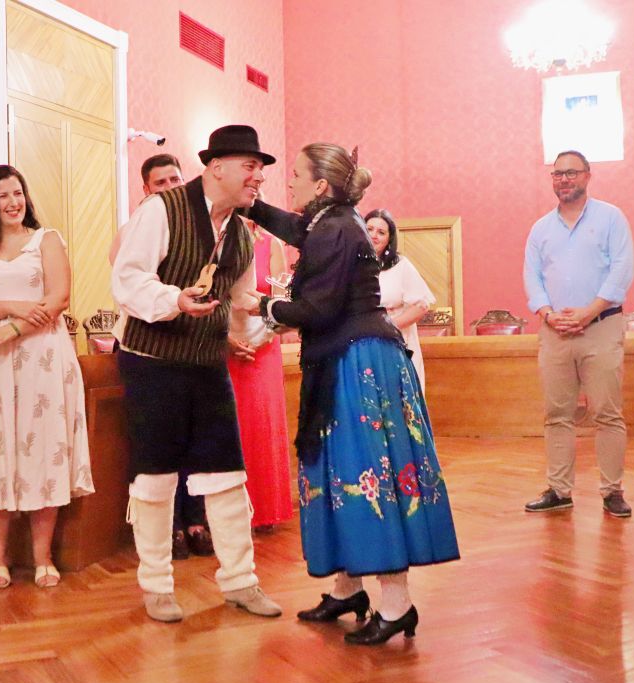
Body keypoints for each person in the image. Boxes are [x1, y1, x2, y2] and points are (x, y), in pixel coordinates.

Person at [245, 143, 459, 645]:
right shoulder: (331, 221)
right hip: (350, 357)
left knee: (369, 473)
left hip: (358, 363)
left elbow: (318, 311)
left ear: (321, 185)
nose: (289, 182)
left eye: (296, 175)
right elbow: (296, 229)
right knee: (340, 469)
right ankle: (349, 587)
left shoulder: (337, 228)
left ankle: (396, 603)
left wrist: (260, 304)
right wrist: (248, 204)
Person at [111, 124, 282, 622]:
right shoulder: (160, 210)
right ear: (218, 167)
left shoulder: (242, 235)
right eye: (251, 167)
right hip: (152, 359)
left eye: (261, 170)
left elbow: (240, 299)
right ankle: (157, 586)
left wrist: (277, 312)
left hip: (207, 362)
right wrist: (174, 300)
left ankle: (240, 581)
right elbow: (127, 278)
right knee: (157, 475)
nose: (258, 178)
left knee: (227, 471)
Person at [0, 165, 94, 589]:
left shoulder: (46, 240)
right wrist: (13, 307)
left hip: (40, 358)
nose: (13, 203)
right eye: (2, 196)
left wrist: (15, 328)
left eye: (18, 193)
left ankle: (42, 557)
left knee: (41, 449)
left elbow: (58, 297)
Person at [108, 154, 213, 560]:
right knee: (156, 441)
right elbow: (127, 279)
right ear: (147, 191)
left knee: (194, 439)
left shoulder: (204, 226)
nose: (170, 187)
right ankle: (163, 527)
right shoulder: (139, 227)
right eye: (160, 183)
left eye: (175, 179)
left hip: (191, 344)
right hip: (146, 342)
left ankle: (195, 518)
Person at [522, 150, 634, 518]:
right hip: (555, 332)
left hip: (601, 327)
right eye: (557, 174)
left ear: (587, 176)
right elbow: (532, 277)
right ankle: (559, 489)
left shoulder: (611, 218)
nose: (564, 179)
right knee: (556, 414)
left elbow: (621, 271)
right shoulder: (540, 228)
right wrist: (548, 314)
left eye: (571, 173)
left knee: (607, 413)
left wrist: (589, 312)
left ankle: (612, 490)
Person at [228, 218, 293, 529]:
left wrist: (262, 336)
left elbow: (283, 300)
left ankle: (264, 509)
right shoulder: (220, 246)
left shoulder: (272, 245)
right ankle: (230, 512)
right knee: (232, 426)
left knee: (260, 422)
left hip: (263, 349)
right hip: (227, 347)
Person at [365, 208, 435, 391]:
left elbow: (421, 305)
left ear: (389, 239)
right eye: (369, 229)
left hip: (397, 341)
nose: (374, 235)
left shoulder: (400, 265)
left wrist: (388, 326)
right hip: (363, 343)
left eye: (381, 232)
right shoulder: (351, 265)